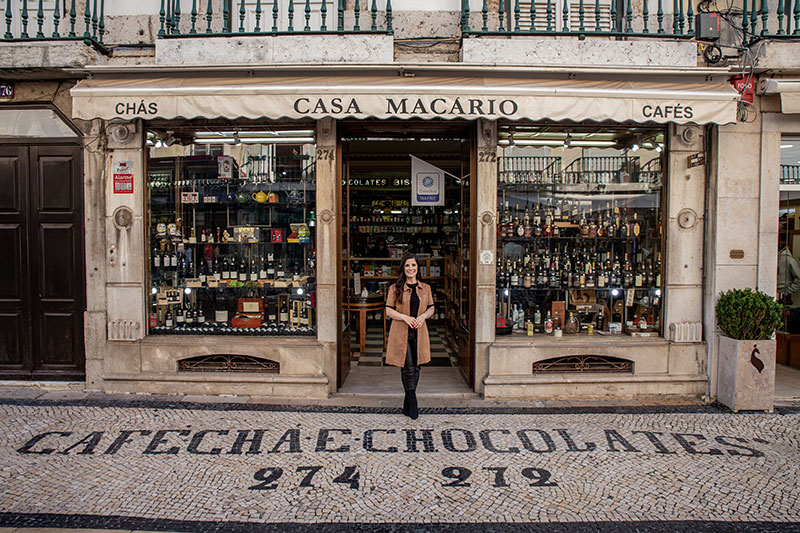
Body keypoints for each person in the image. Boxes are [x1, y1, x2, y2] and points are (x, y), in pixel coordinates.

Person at [384, 253, 435, 419]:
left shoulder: (425, 288)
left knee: (417, 367)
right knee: (407, 368)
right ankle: (413, 404)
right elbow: (388, 310)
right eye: (407, 266)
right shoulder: (395, 288)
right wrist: (405, 317)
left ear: (417, 267)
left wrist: (423, 317)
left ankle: (407, 404)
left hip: (419, 332)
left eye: (413, 265)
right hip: (401, 332)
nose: (410, 268)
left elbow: (431, 308)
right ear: (403, 268)